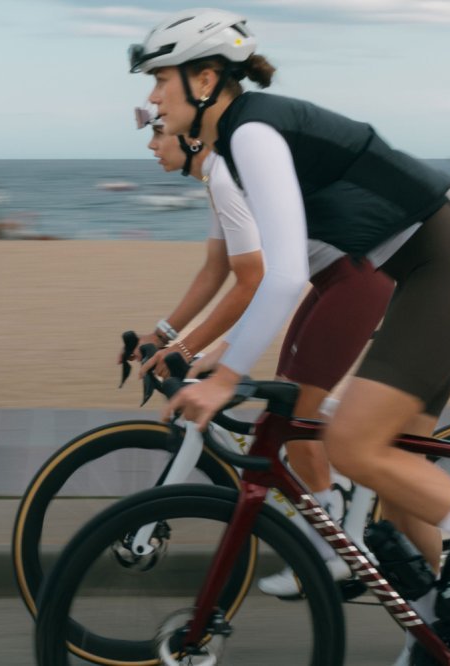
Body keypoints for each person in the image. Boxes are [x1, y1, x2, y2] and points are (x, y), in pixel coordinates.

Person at [132, 8, 450, 652]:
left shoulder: (252, 133)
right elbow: (279, 273)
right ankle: (447, 635)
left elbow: (279, 278)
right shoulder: (242, 137)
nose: (151, 98)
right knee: (399, 478)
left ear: (203, 79)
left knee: (354, 443)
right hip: (443, 268)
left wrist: (224, 377)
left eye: (159, 80)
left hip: (448, 268)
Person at [128, 110, 398, 599]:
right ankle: (339, 503)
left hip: (355, 279)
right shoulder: (217, 178)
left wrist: (188, 349)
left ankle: (338, 543)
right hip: (334, 278)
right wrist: (165, 334)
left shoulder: (226, 176)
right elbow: (216, 270)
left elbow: (251, 278)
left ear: (191, 139)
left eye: (158, 132)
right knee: (292, 402)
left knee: (293, 409)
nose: (151, 145)